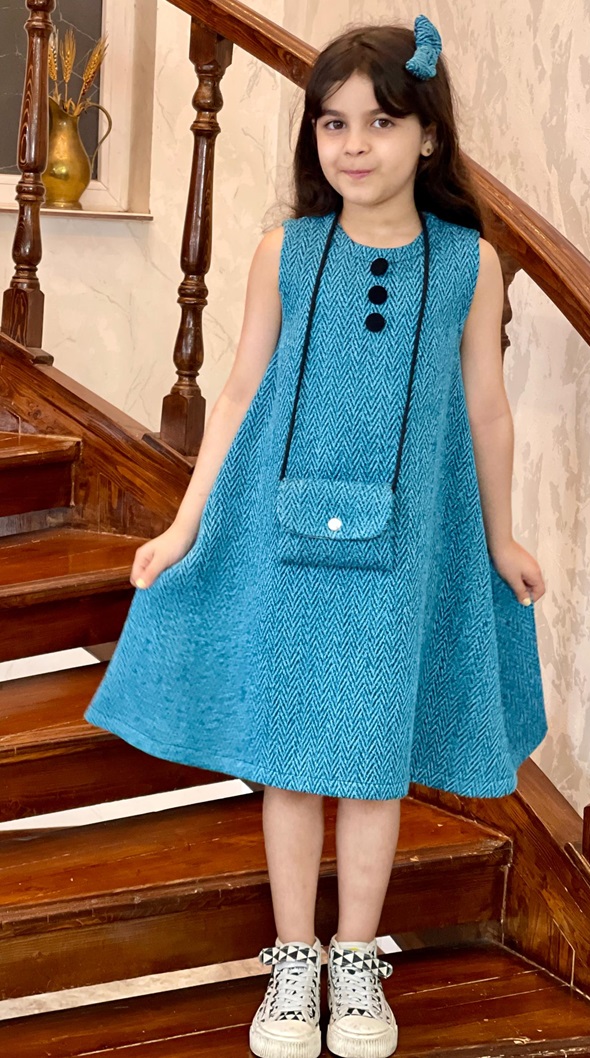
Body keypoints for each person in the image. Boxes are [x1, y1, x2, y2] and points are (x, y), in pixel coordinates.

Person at [84, 12, 548, 1058]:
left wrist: (503, 536)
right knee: (292, 759)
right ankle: (293, 958)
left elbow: (486, 410)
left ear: (428, 136)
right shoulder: (284, 253)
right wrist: (184, 525)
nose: (353, 145)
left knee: (372, 760)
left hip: (403, 552)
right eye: (333, 123)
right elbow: (239, 392)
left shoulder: (466, 265)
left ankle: (355, 957)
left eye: (380, 122)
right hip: (281, 539)